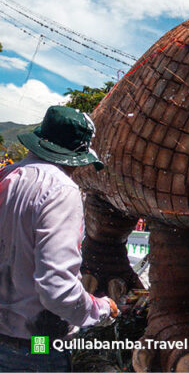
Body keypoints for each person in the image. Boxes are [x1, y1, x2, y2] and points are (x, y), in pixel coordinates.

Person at [0, 106, 119, 372]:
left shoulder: (7, 176)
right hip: (36, 346)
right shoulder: (60, 190)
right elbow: (57, 289)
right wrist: (100, 309)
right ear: (74, 156)